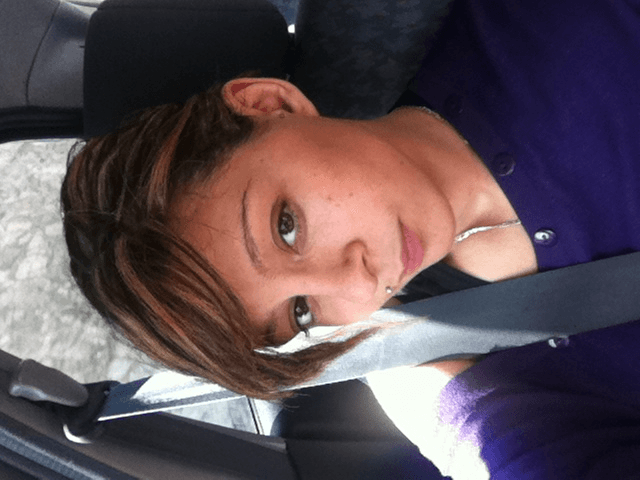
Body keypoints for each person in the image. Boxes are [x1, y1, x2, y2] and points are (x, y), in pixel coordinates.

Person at [61, 0, 640, 477]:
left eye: (286, 226)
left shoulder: (549, 23)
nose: (356, 282)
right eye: (301, 312)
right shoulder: (472, 373)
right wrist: (445, 418)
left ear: (269, 103)